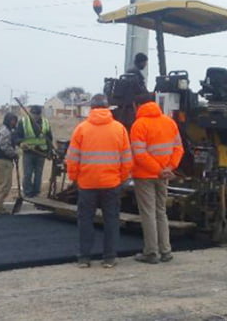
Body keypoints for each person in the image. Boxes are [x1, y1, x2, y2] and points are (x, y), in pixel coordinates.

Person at [66, 94, 132, 268]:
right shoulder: (120, 129)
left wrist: (75, 178)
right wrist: (121, 178)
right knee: (111, 221)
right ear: (108, 108)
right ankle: (109, 258)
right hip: (111, 184)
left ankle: (84, 258)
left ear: (92, 109)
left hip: (87, 184)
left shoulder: (81, 129)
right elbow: (127, 160)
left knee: (85, 221)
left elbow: (72, 158)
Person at [130, 94, 184, 264]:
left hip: (145, 176)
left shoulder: (139, 125)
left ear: (137, 105)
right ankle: (166, 250)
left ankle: (151, 252)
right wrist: (169, 168)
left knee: (148, 213)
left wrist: (158, 170)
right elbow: (178, 148)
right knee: (161, 212)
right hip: (164, 175)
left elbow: (139, 154)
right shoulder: (169, 122)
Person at [16, 105, 52, 198]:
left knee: (38, 174)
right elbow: (16, 137)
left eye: (37, 114)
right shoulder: (23, 122)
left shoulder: (46, 122)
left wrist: (49, 152)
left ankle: (36, 192)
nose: (35, 116)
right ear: (30, 113)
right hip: (29, 152)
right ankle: (28, 192)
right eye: (34, 114)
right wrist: (21, 143)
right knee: (28, 173)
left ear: (40, 114)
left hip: (41, 153)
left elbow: (49, 138)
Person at [0, 112, 19, 214]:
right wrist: (14, 154)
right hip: (3, 161)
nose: (14, 123)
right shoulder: (5, 131)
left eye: (15, 120)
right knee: (5, 185)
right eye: (12, 120)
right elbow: (5, 147)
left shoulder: (3, 130)